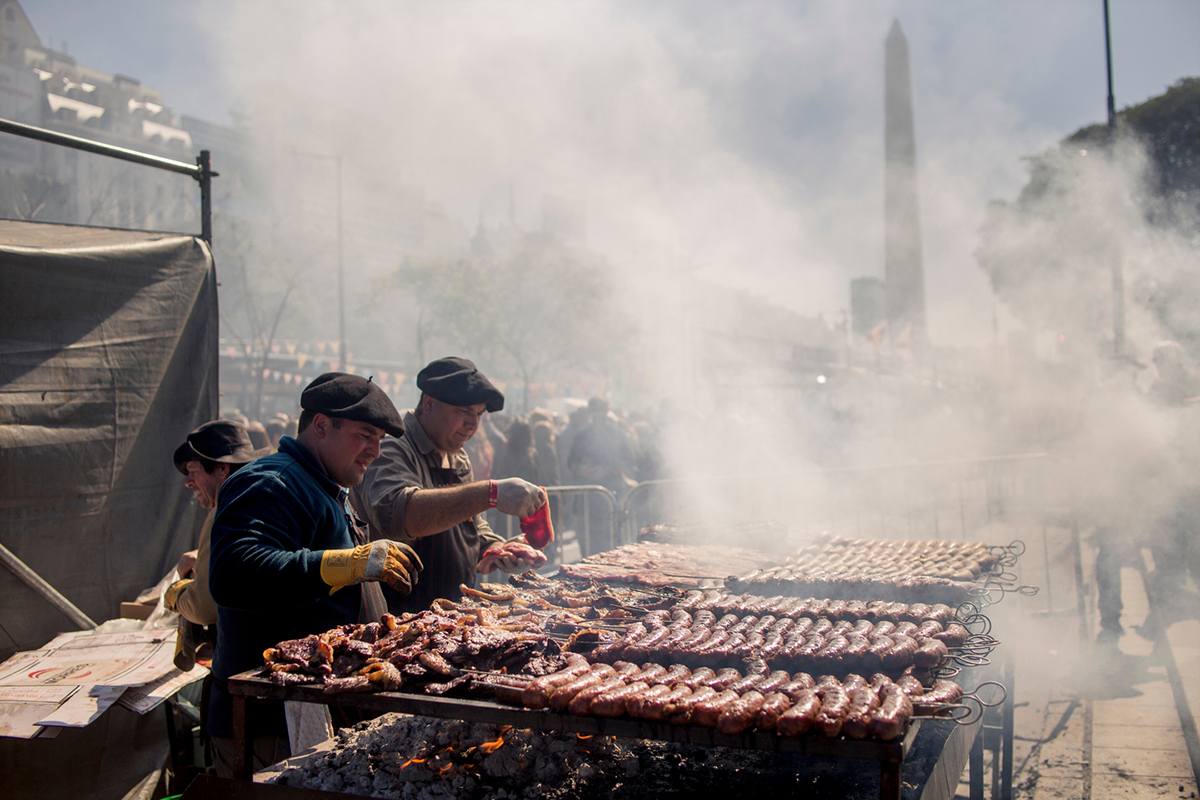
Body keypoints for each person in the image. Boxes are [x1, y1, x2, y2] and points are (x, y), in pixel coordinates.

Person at [206, 373, 423, 776]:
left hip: (313, 706)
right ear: (321, 426)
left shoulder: (327, 485)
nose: (375, 451)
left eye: (379, 440)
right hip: (271, 721)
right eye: (364, 435)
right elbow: (233, 573)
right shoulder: (271, 481)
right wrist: (346, 564)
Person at [351, 357, 548, 614]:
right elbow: (396, 515)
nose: (472, 425)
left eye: (478, 415)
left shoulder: (457, 453)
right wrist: (491, 493)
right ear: (430, 404)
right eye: (464, 412)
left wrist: (494, 547)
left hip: (453, 607)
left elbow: (473, 523)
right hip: (400, 610)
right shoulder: (392, 443)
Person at [164, 419, 266, 670]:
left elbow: (204, 607)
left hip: (244, 662)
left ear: (221, 469)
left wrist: (177, 593)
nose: (189, 482)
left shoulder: (226, 510)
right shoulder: (261, 495)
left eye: (193, 471)